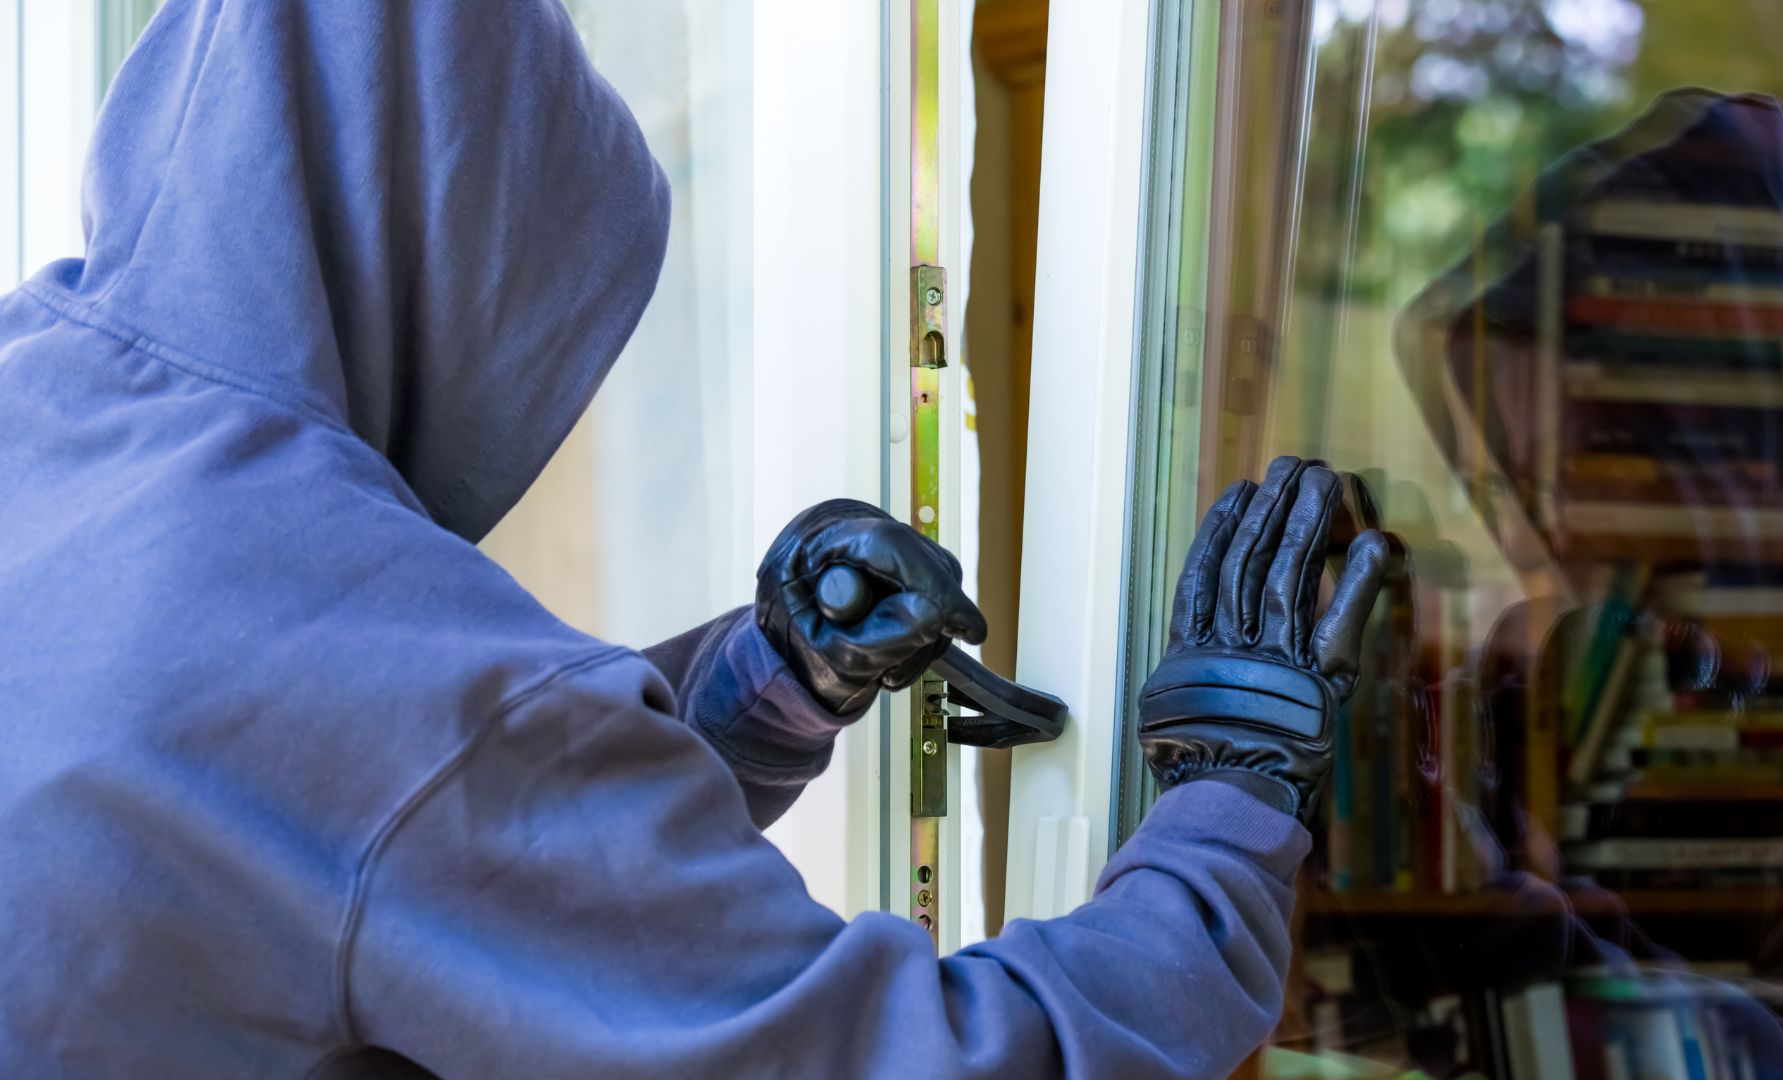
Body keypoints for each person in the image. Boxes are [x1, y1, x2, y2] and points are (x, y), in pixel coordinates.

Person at [0, 3, 1387, 1076]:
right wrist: (1232, 804)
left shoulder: (37, 411)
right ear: (472, 261)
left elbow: (389, 869)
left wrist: (774, 679)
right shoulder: (348, 664)